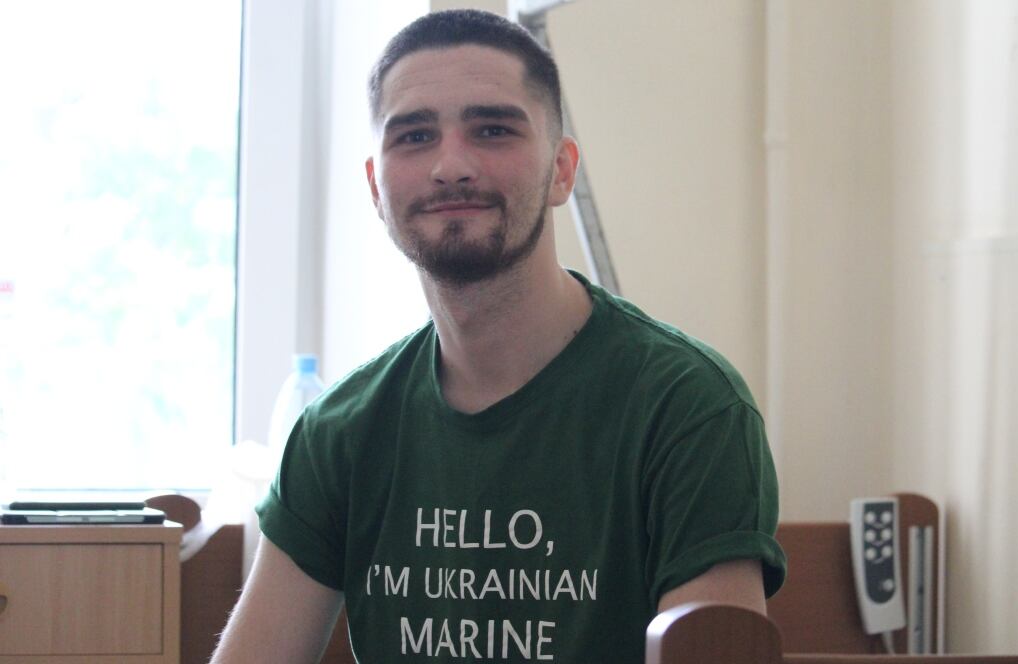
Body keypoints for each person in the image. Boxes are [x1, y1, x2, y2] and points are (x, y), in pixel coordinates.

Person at [211, 8, 785, 663]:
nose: (451, 165)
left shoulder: (688, 409)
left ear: (562, 170)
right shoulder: (338, 434)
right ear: (376, 185)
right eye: (415, 135)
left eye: (492, 129)